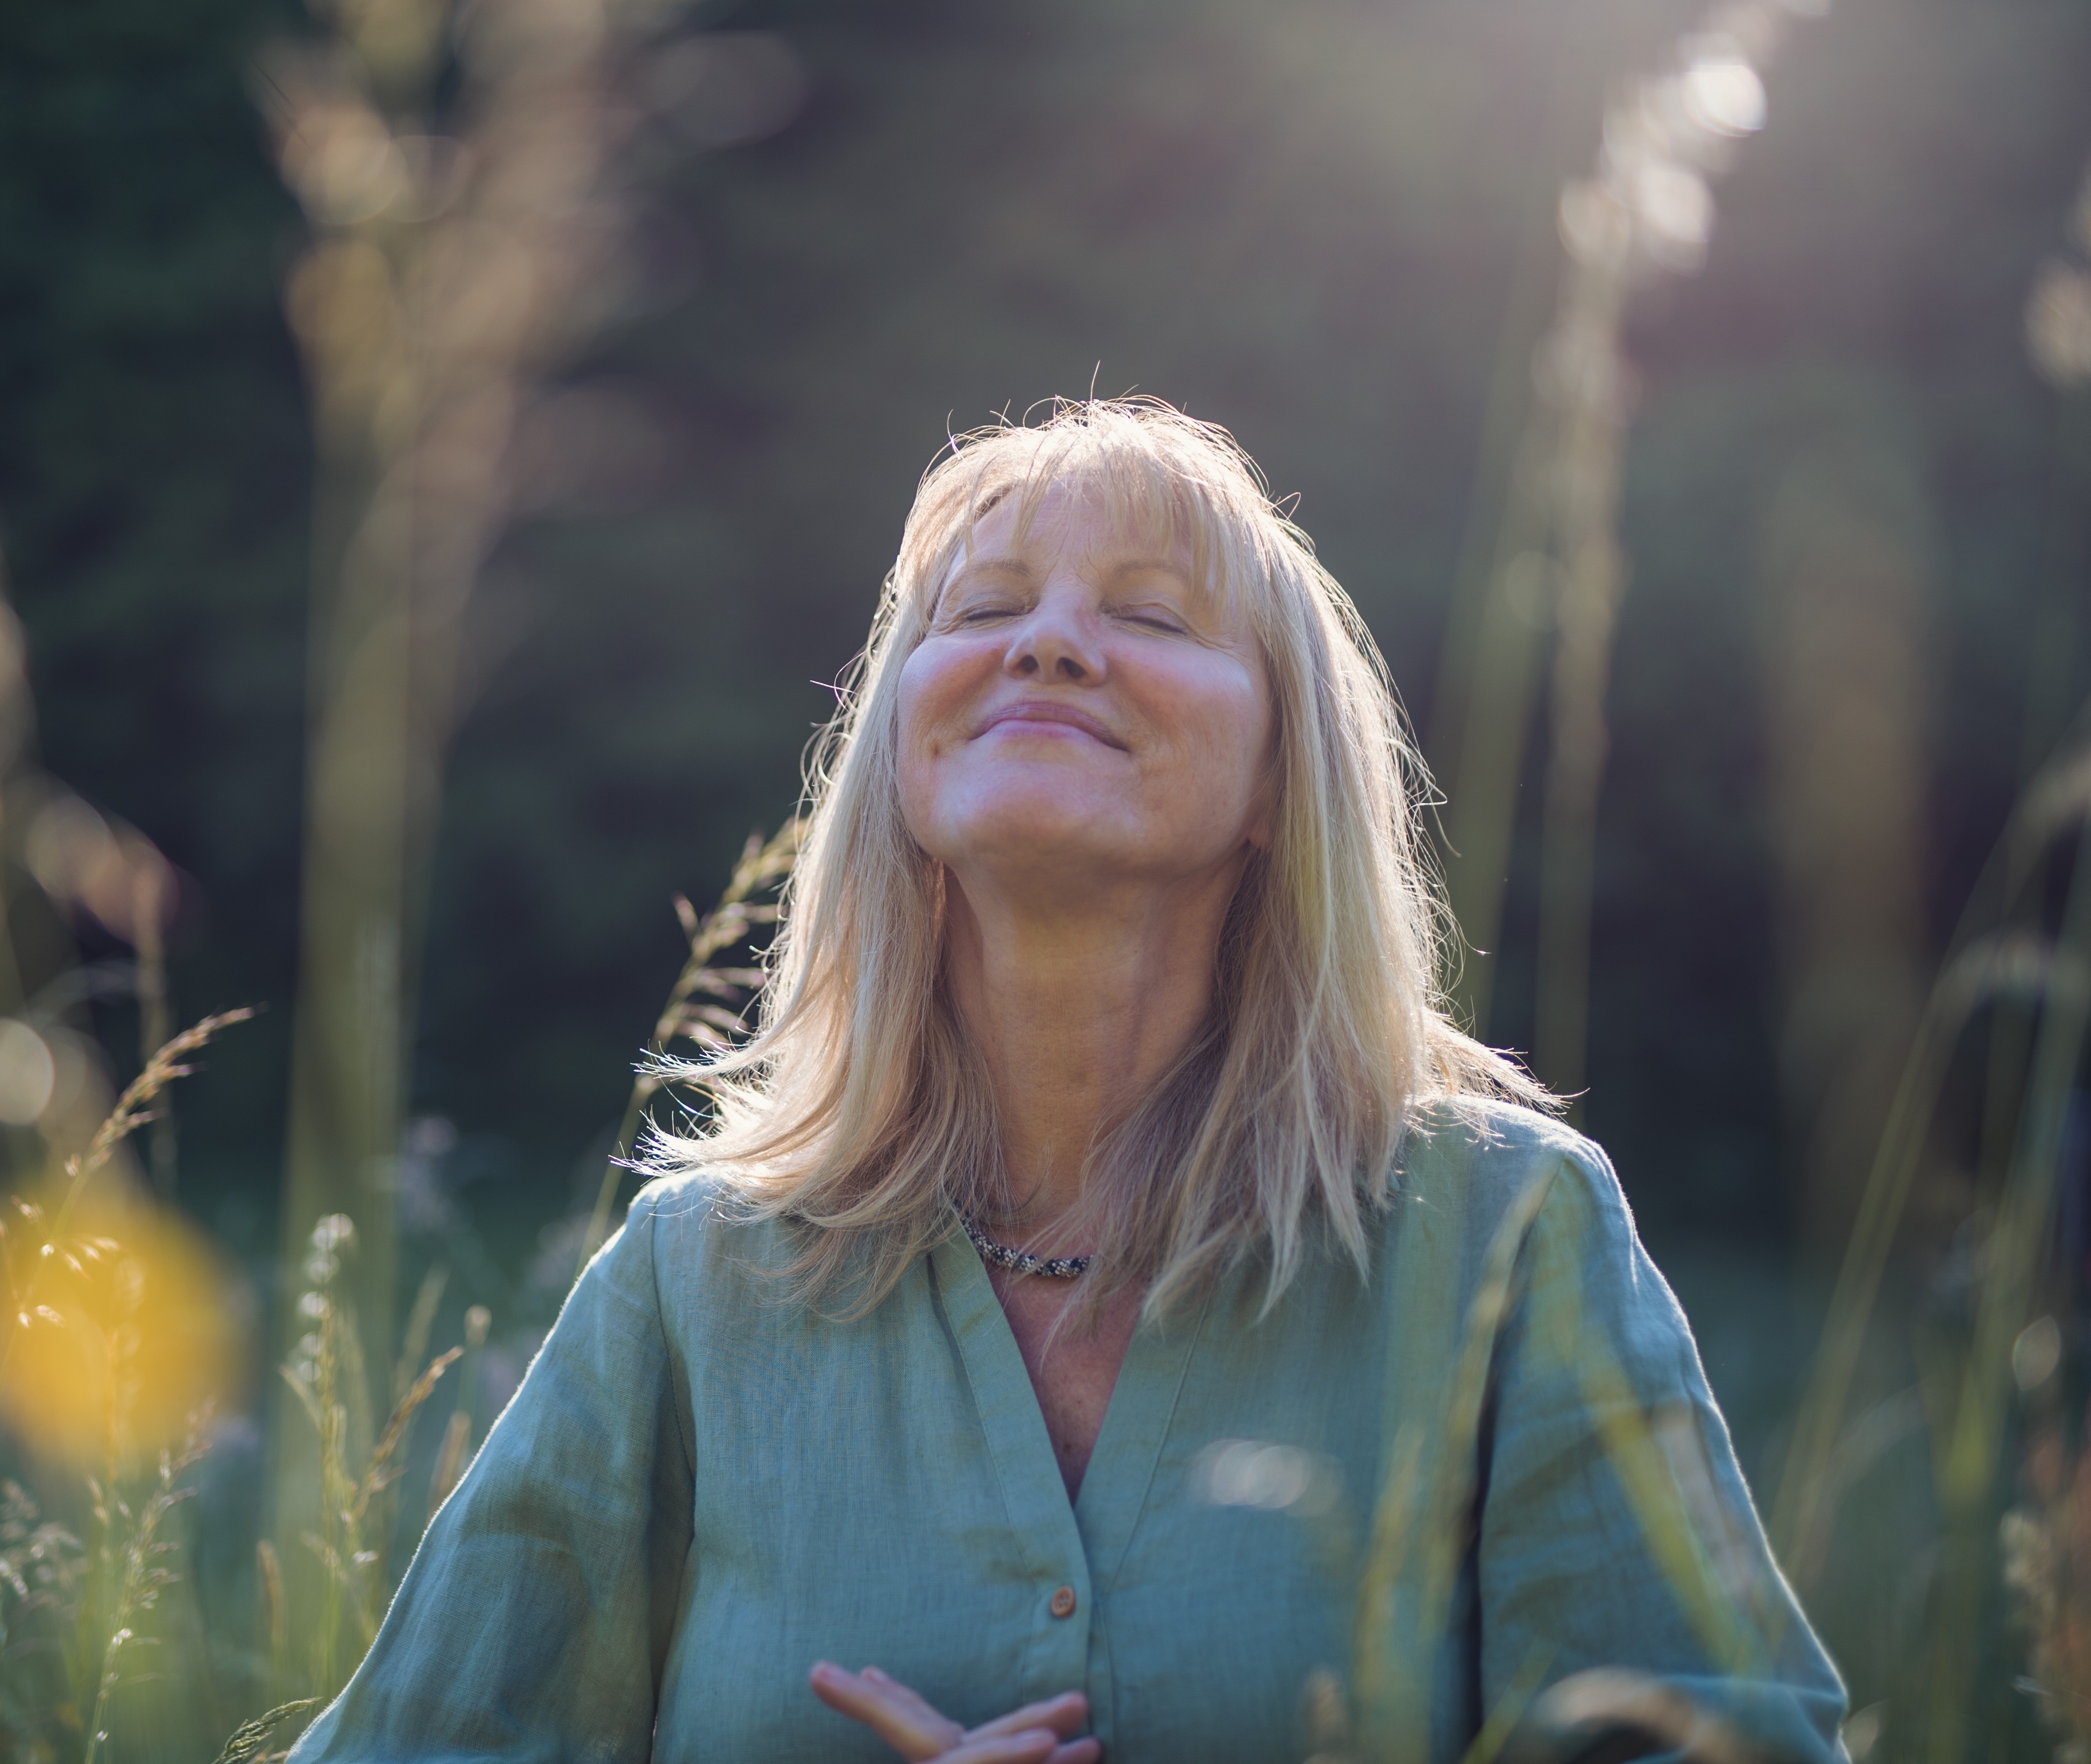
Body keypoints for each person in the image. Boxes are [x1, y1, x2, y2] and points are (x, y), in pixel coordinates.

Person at [286, 399, 1844, 1763]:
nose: (1046, 640)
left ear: (1275, 786)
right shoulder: (698, 1280)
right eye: (983, 608)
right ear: (902, 751)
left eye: (1155, 617)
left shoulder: (1505, 1236)